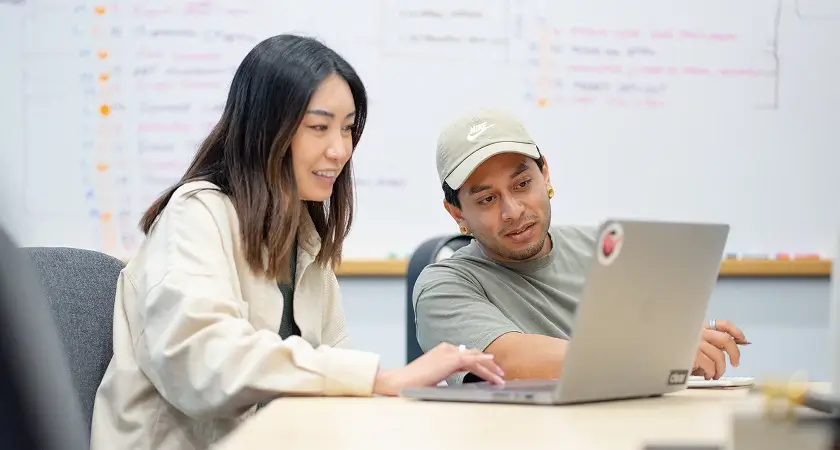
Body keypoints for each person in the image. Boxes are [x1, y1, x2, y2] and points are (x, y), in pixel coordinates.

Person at [89, 35, 504, 450]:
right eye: (319, 127)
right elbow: (202, 363)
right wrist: (378, 377)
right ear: (266, 127)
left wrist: (403, 396)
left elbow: (335, 364)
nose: (339, 149)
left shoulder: (304, 236)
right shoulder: (197, 215)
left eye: (347, 128)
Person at [413, 107, 748, 385]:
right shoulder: (443, 287)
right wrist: (654, 353)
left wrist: (687, 343)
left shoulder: (605, 249)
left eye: (522, 184)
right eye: (487, 199)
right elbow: (505, 362)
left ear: (546, 176)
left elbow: (648, 346)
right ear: (457, 212)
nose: (513, 211)